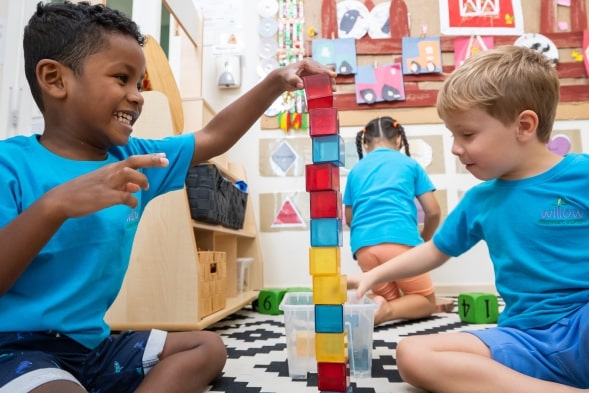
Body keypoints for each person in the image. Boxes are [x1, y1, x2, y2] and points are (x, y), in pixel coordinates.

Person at [0, 2, 336, 393]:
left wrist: (276, 81)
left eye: (139, 83)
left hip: (94, 346)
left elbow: (213, 137)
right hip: (19, 346)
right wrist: (54, 205)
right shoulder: (11, 165)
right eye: (121, 78)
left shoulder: (135, 159)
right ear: (55, 79)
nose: (137, 96)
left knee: (205, 345)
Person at [348, 44, 589, 392]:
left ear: (523, 126)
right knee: (411, 353)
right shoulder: (480, 200)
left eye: (467, 134)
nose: (455, 147)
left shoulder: (581, 176)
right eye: (453, 135)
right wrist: (375, 275)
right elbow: (434, 250)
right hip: (524, 339)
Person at [343, 117, 442, 325]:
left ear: (365, 144)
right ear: (399, 140)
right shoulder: (409, 164)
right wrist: (424, 240)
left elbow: (350, 218)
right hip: (401, 241)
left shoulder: (356, 172)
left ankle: (379, 304)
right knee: (426, 301)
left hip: (363, 248)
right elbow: (433, 212)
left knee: (390, 298)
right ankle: (387, 310)